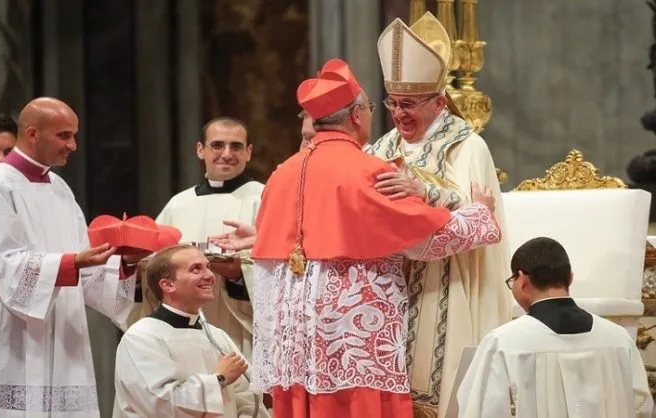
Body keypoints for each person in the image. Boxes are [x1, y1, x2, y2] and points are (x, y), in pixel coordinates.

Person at [236, 58, 502, 418]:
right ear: (357, 115)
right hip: (352, 336)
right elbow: (427, 239)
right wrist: (480, 214)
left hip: (297, 340)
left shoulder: (282, 172)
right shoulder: (367, 169)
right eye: (383, 105)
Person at [0, 97, 145, 417]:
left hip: (61, 337)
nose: (73, 145)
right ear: (32, 134)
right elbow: (3, 266)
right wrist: (72, 263)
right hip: (8, 337)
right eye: (63, 135)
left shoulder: (59, 188)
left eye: (74, 135)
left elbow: (83, 263)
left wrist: (125, 262)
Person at [366, 12, 512, 417]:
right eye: (393, 103)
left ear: (439, 101)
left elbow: (479, 217)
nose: (399, 114)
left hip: (448, 281)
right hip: (390, 285)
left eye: (409, 104)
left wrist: (426, 190)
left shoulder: (467, 147)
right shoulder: (382, 146)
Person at [456, 237, 654, 417]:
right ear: (570, 278)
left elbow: (480, 411)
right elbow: (642, 408)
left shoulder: (503, 343)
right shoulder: (618, 339)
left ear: (522, 280)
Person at [140, 117, 263, 360]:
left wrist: (238, 277)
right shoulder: (178, 205)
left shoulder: (263, 198)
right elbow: (154, 271)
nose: (227, 154)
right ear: (200, 150)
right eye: (217, 145)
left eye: (236, 146)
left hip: (242, 330)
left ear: (248, 153)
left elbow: (286, 267)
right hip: (183, 333)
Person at [114, 244, 270, 418]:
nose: (211, 276)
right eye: (196, 269)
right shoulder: (142, 337)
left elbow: (247, 398)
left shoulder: (217, 335)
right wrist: (219, 379)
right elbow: (160, 403)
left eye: (208, 267)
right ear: (167, 285)